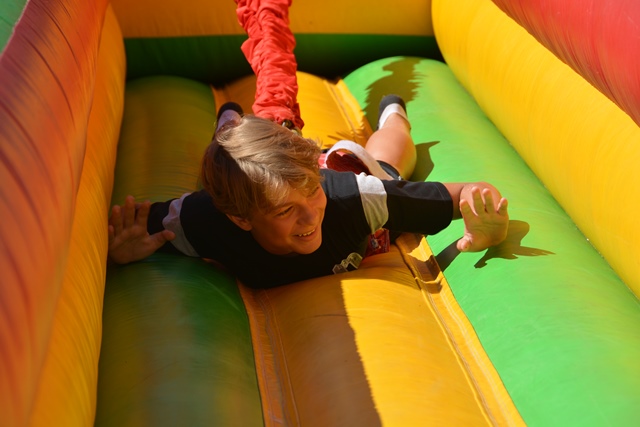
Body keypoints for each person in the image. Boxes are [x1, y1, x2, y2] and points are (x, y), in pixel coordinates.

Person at [107, 96, 509, 288]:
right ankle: (229, 125)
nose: (308, 216)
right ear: (240, 219)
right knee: (223, 176)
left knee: (387, 161)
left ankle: (394, 115)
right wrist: (123, 253)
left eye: (309, 198)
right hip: (280, 181)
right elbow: (135, 232)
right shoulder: (201, 219)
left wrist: (489, 223)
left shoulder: (356, 199)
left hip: (350, 188)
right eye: (284, 212)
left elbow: (469, 192)